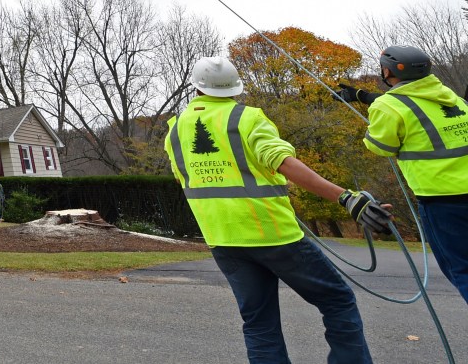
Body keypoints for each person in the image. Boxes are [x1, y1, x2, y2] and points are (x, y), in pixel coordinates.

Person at [166, 57, 390, 364]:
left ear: (196, 88)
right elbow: (283, 162)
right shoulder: (247, 118)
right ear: (235, 88)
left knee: (259, 324)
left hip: (224, 240)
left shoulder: (175, 132)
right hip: (274, 235)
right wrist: (346, 198)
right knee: (338, 300)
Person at [355, 45, 468, 306]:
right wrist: (365, 97)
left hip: (443, 199)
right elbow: (416, 103)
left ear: (387, 71)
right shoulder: (450, 96)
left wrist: (375, 113)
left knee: (461, 269)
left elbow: (380, 146)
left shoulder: (387, 105)